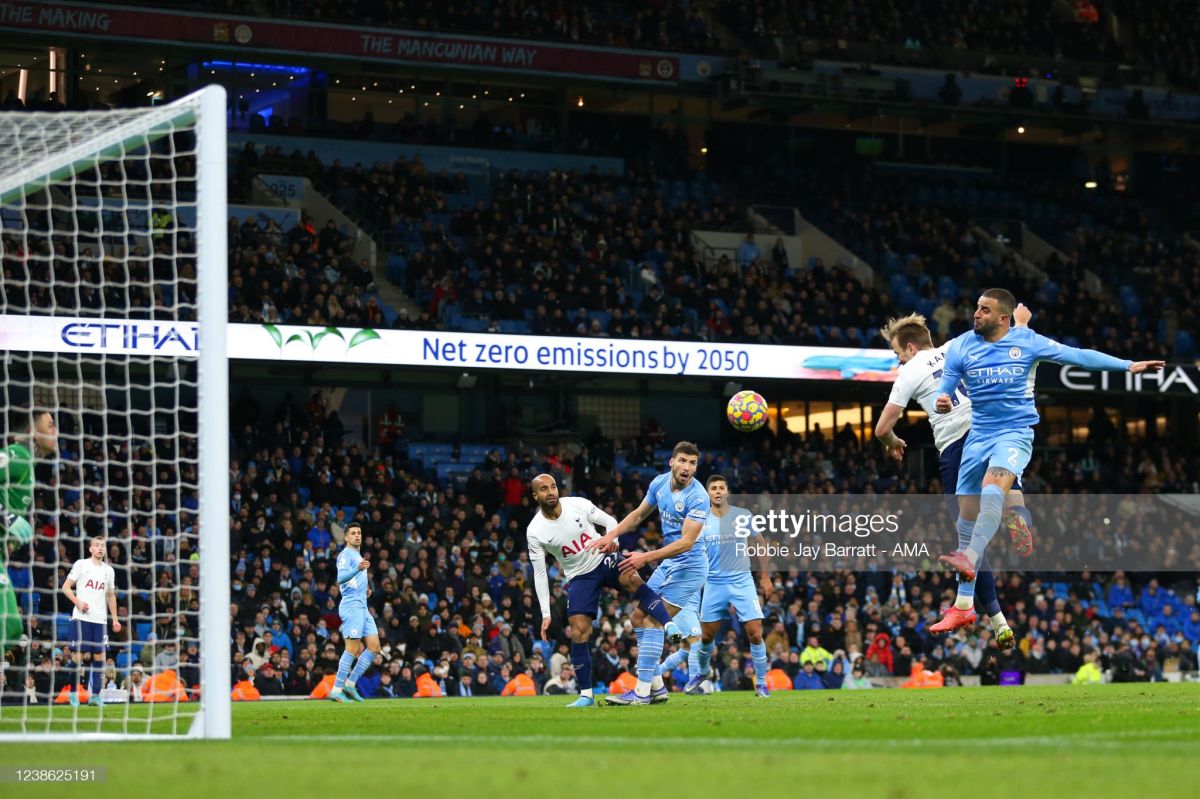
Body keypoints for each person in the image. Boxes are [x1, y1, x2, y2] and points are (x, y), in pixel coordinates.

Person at [935, 289, 1163, 596]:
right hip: (977, 435)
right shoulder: (961, 346)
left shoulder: (1027, 342)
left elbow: (1078, 356)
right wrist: (943, 400)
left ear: (1004, 319)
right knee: (965, 514)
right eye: (977, 307)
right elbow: (944, 390)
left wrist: (1127, 365)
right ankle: (964, 603)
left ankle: (971, 557)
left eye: (985, 310)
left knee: (993, 487)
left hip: (1014, 433)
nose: (976, 314)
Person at [875, 307, 1035, 647]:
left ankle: (989, 616)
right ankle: (1019, 516)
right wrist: (1020, 323)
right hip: (990, 428)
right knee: (1002, 483)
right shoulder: (961, 346)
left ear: (911, 349)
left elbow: (882, 428)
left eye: (897, 354)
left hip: (956, 448)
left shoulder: (910, 370)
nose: (898, 361)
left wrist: (892, 442)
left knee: (967, 540)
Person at [527, 474, 675, 708]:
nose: (551, 492)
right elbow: (539, 573)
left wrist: (611, 539)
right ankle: (586, 694)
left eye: (553, 486)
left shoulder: (577, 503)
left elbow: (610, 521)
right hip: (579, 576)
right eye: (544, 489)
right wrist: (546, 614)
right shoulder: (535, 531)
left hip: (602, 556)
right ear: (536, 496)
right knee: (578, 631)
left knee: (632, 577)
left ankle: (669, 625)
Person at [586, 441, 709, 706]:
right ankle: (657, 688)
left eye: (693, 463)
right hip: (668, 562)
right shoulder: (659, 484)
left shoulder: (698, 497)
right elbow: (639, 514)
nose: (687, 467)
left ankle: (641, 694)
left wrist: (644, 557)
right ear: (672, 462)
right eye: (683, 461)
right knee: (637, 618)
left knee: (653, 622)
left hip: (689, 566)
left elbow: (687, 542)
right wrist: (611, 535)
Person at [680, 475, 773, 697]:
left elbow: (761, 544)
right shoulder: (700, 521)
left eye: (722, 487)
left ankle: (760, 683)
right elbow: (686, 549)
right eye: (714, 488)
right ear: (708, 493)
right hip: (714, 583)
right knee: (707, 637)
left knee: (755, 633)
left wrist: (765, 576)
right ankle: (703, 672)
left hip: (742, 581)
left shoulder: (742, 516)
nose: (718, 491)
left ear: (727, 492)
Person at [1, 409, 57, 659]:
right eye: (50, 425)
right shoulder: (19, 455)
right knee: (10, 628)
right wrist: (7, 516)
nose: (56, 431)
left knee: (10, 631)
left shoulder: (28, 465)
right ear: (33, 432)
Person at [62, 535, 120, 707]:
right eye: (97, 545)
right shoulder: (81, 564)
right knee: (77, 657)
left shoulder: (109, 571)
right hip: (81, 618)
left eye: (102, 545)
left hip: (100, 621)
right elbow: (65, 587)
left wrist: (115, 619)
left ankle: (95, 696)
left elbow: (111, 596)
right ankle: (73, 694)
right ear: (91, 549)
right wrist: (78, 602)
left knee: (100, 657)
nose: (100, 548)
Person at [328, 522, 380, 702]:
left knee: (374, 647)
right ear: (346, 537)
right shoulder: (345, 555)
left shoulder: (357, 555)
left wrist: (364, 590)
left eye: (359, 533)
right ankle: (336, 689)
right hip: (352, 606)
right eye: (353, 533)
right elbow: (340, 578)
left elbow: (352, 582)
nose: (357, 535)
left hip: (362, 605)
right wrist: (357, 569)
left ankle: (350, 684)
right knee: (352, 648)